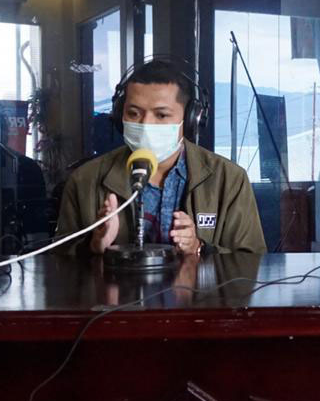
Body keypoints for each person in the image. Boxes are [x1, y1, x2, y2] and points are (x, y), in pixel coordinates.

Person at [53, 58, 266, 256]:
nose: (146, 125)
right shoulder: (84, 181)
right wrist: (94, 245)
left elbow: (252, 263)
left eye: (161, 115)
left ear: (190, 119)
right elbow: (58, 264)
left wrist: (199, 247)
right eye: (133, 113)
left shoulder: (229, 180)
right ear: (119, 115)